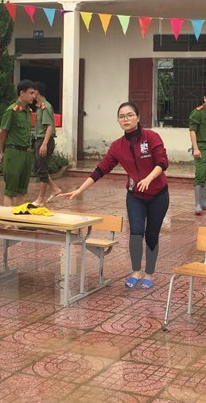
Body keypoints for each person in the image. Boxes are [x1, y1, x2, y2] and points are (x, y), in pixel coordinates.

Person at [59, 102, 169, 289]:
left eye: (129, 115)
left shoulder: (151, 137)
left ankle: (149, 273)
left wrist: (149, 178)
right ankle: (136, 271)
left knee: (151, 234)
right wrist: (80, 190)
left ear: (138, 117)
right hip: (135, 195)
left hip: (158, 195)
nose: (125, 119)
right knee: (135, 232)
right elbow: (100, 169)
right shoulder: (118, 146)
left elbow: (162, 161)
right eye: (121, 116)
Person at [0, 80, 37, 206]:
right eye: (31, 93)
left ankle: (19, 222)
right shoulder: (12, 111)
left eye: (34, 93)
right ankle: (8, 224)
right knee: (10, 191)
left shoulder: (28, 112)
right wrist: (2, 151)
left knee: (22, 191)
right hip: (13, 152)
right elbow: (2, 133)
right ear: (22, 93)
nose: (33, 96)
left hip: (26, 153)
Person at [31, 81, 62, 205]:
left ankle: (40, 199)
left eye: (32, 92)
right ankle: (55, 189)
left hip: (44, 140)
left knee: (42, 169)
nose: (31, 95)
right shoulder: (40, 107)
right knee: (38, 168)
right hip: (40, 140)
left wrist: (44, 144)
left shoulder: (46, 106)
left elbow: (49, 126)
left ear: (37, 91)